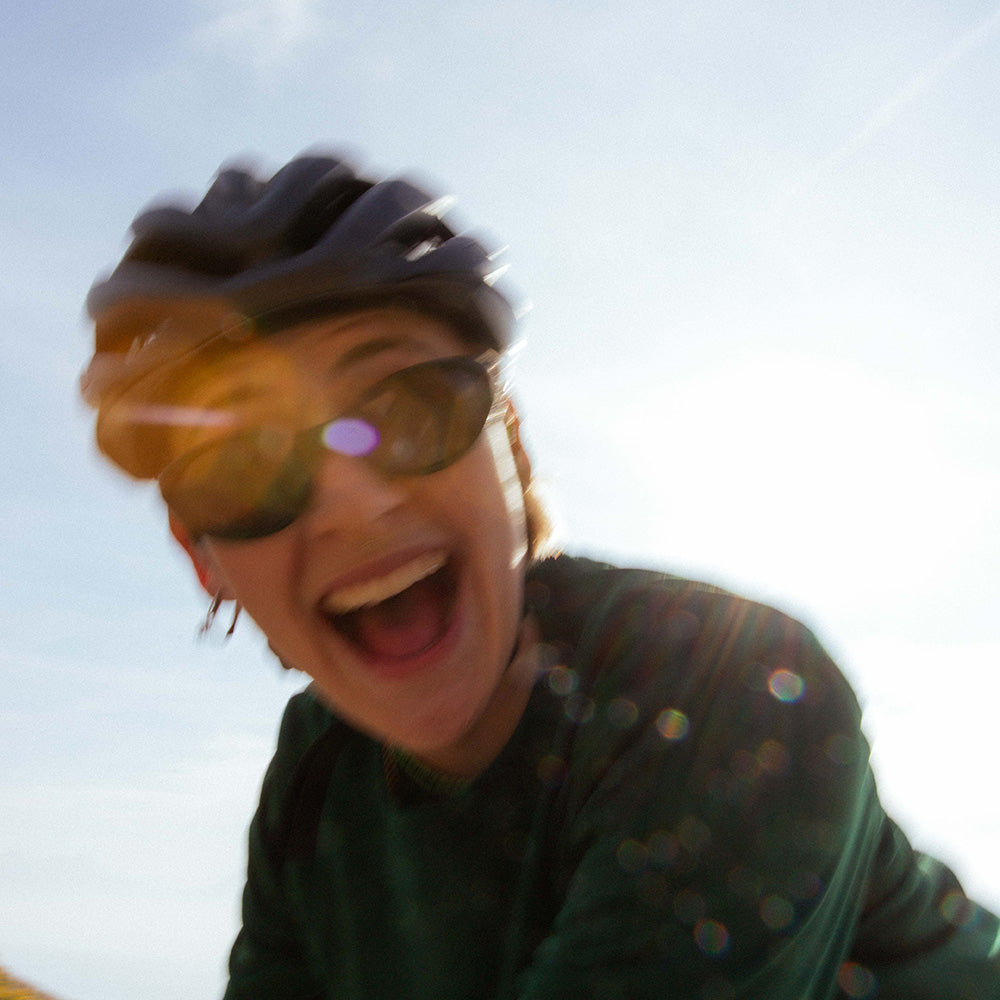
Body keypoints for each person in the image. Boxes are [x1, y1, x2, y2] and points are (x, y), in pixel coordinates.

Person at [81, 151, 1000, 1000]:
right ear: (203, 558)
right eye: (243, 469)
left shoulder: (739, 685)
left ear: (509, 451)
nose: (354, 504)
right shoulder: (313, 787)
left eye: (411, 409)